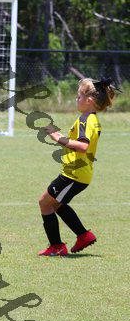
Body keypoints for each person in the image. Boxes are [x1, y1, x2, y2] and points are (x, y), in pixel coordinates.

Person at [38, 77, 116, 256]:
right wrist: (61, 136)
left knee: (45, 203)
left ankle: (57, 246)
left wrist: (58, 138)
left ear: (90, 100)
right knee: (56, 204)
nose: (76, 99)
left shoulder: (86, 120)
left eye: (79, 96)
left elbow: (82, 146)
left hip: (74, 174)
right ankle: (83, 236)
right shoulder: (91, 119)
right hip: (78, 173)